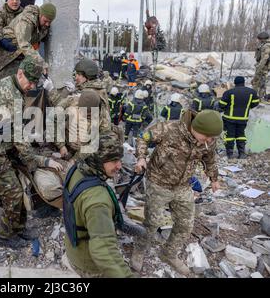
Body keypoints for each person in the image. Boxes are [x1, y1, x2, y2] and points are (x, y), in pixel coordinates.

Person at [0, 56, 63, 249]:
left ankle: (18, 228)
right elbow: (20, 139)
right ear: (20, 74)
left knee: (17, 185)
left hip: (2, 143)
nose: (32, 86)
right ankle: (6, 236)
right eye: (30, 81)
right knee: (13, 192)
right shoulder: (11, 96)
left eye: (36, 82)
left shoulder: (15, 87)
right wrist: (43, 161)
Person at [130, 110, 223, 276]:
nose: (208, 141)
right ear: (195, 127)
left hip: (182, 186)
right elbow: (142, 137)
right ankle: (140, 249)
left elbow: (209, 159)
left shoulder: (208, 140)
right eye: (207, 136)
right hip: (158, 183)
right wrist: (141, 157)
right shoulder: (169, 128)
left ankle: (168, 253)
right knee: (152, 222)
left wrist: (214, 178)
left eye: (212, 138)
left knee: (185, 224)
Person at [63, 131, 133, 278]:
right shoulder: (98, 201)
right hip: (88, 264)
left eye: (119, 159)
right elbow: (104, 251)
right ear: (99, 161)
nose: (119, 165)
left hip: (73, 246)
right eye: (113, 161)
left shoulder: (78, 168)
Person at [0, 3, 57, 79]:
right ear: (40, 15)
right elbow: (24, 44)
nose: (47, 24)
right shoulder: (26, 21)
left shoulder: (43, 26)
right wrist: (41, 63)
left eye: (50, 22)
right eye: (45, 21)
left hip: (18, 55)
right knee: (0, 80)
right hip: (5, 50)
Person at [219, 76, 260, 159]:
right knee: (241, 134)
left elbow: (221, 104)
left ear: (235, 83)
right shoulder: (252, 92)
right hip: (243, 118)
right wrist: (247, 107)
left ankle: (230, 154)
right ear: (244, 82)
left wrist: (226, 108)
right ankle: (241, 153)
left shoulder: (229, 92)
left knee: (229, 135)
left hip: (229, 118)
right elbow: (256, 103)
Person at [251, 31, 270, 100]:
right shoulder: (264, 44)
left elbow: (264, 59)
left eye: (259, 39)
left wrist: (258, 68)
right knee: (261, 82)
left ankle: (255, 97)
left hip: (263, 68)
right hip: (262, 67)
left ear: (263, 38)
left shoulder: (266, 46)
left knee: (257, 82)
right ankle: (259, 97)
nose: (259, 40)